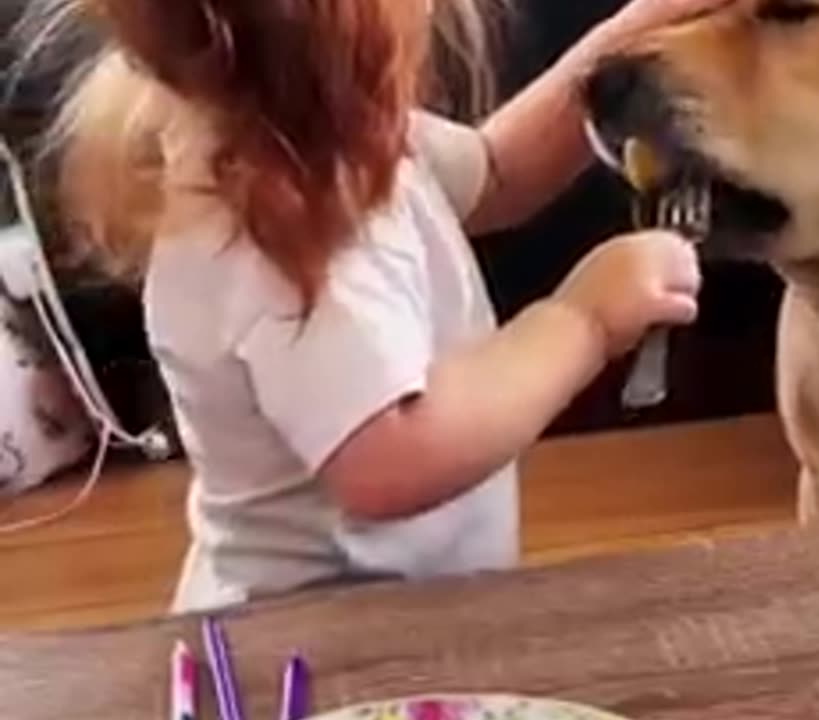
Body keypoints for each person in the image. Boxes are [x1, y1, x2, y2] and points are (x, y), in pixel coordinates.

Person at [45, 0, 726, 612]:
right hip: (320, 639)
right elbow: (392, 460)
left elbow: (496, 173)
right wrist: (582, 321)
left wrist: (629, 36)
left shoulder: (313, 142)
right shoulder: (291, 238)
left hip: (384, 616)